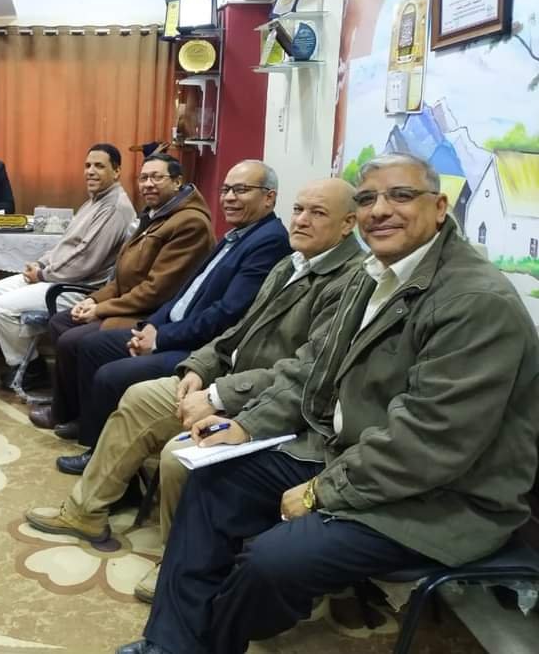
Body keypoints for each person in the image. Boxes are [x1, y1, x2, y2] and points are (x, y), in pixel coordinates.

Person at [118, 153, 539, 654]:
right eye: (368, 198)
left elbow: (429, 442)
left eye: (401, 196)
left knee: (274, 562)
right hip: (348, 454)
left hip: (441, 497)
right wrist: (248, 425)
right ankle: (172, 643)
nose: (380, 210)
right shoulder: (372, 274)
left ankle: (207, 639)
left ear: (440, 207)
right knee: (212, 481)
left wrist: (321, 492)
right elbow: (312, 366)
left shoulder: (475, 302)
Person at [25, 177, 364, 603]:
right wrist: (199, 368)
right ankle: (85, 511)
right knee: (139, 397)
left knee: (178, 456)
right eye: (299, 209)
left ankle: (180, 564)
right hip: (228, 381)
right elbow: (238, 330)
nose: (301, 220)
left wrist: (219, 396)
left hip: (270, 406)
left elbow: (306, 375)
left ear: (349, 223)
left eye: (317, 213)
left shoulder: (350, 281)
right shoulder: (293, 263)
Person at [44, 161, 291, 464]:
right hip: (170, 327)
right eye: (225, 190)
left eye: (240, 190)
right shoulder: (237, 234)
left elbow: (226, 314)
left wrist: (160, 338)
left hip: (199, 347)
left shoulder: (268, 241)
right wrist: (150, 326)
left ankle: (102, 459)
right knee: (90, 346)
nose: (228, 198)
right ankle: (90, 433)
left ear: (269, 197)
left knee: (110, 375)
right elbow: (184, 294)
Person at [24, 153, 213, 404]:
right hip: (129, 303)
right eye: (143, 178)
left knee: (73, 340)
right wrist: (93, 300)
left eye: (157, 177)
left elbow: (155, 291)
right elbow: (123, 275)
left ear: (177, 182)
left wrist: (101, 309)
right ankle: (72, 403)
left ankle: (78, 412)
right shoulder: (155, 215)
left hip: (151, 314)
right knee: (61, 321)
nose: (148, 184)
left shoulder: (189, 223)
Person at [0, 144, 136, 385]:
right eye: (88, 165)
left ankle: (30, 370)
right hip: (59, 276)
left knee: (3, 307)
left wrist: (42, 275)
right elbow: (65, 245)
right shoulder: (95, 201)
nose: (90, 171)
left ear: (117, 171)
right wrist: (40, 263)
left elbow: (85, 259)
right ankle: (30, 364)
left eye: (99, 166)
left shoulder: (114, 207)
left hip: (79, 287)